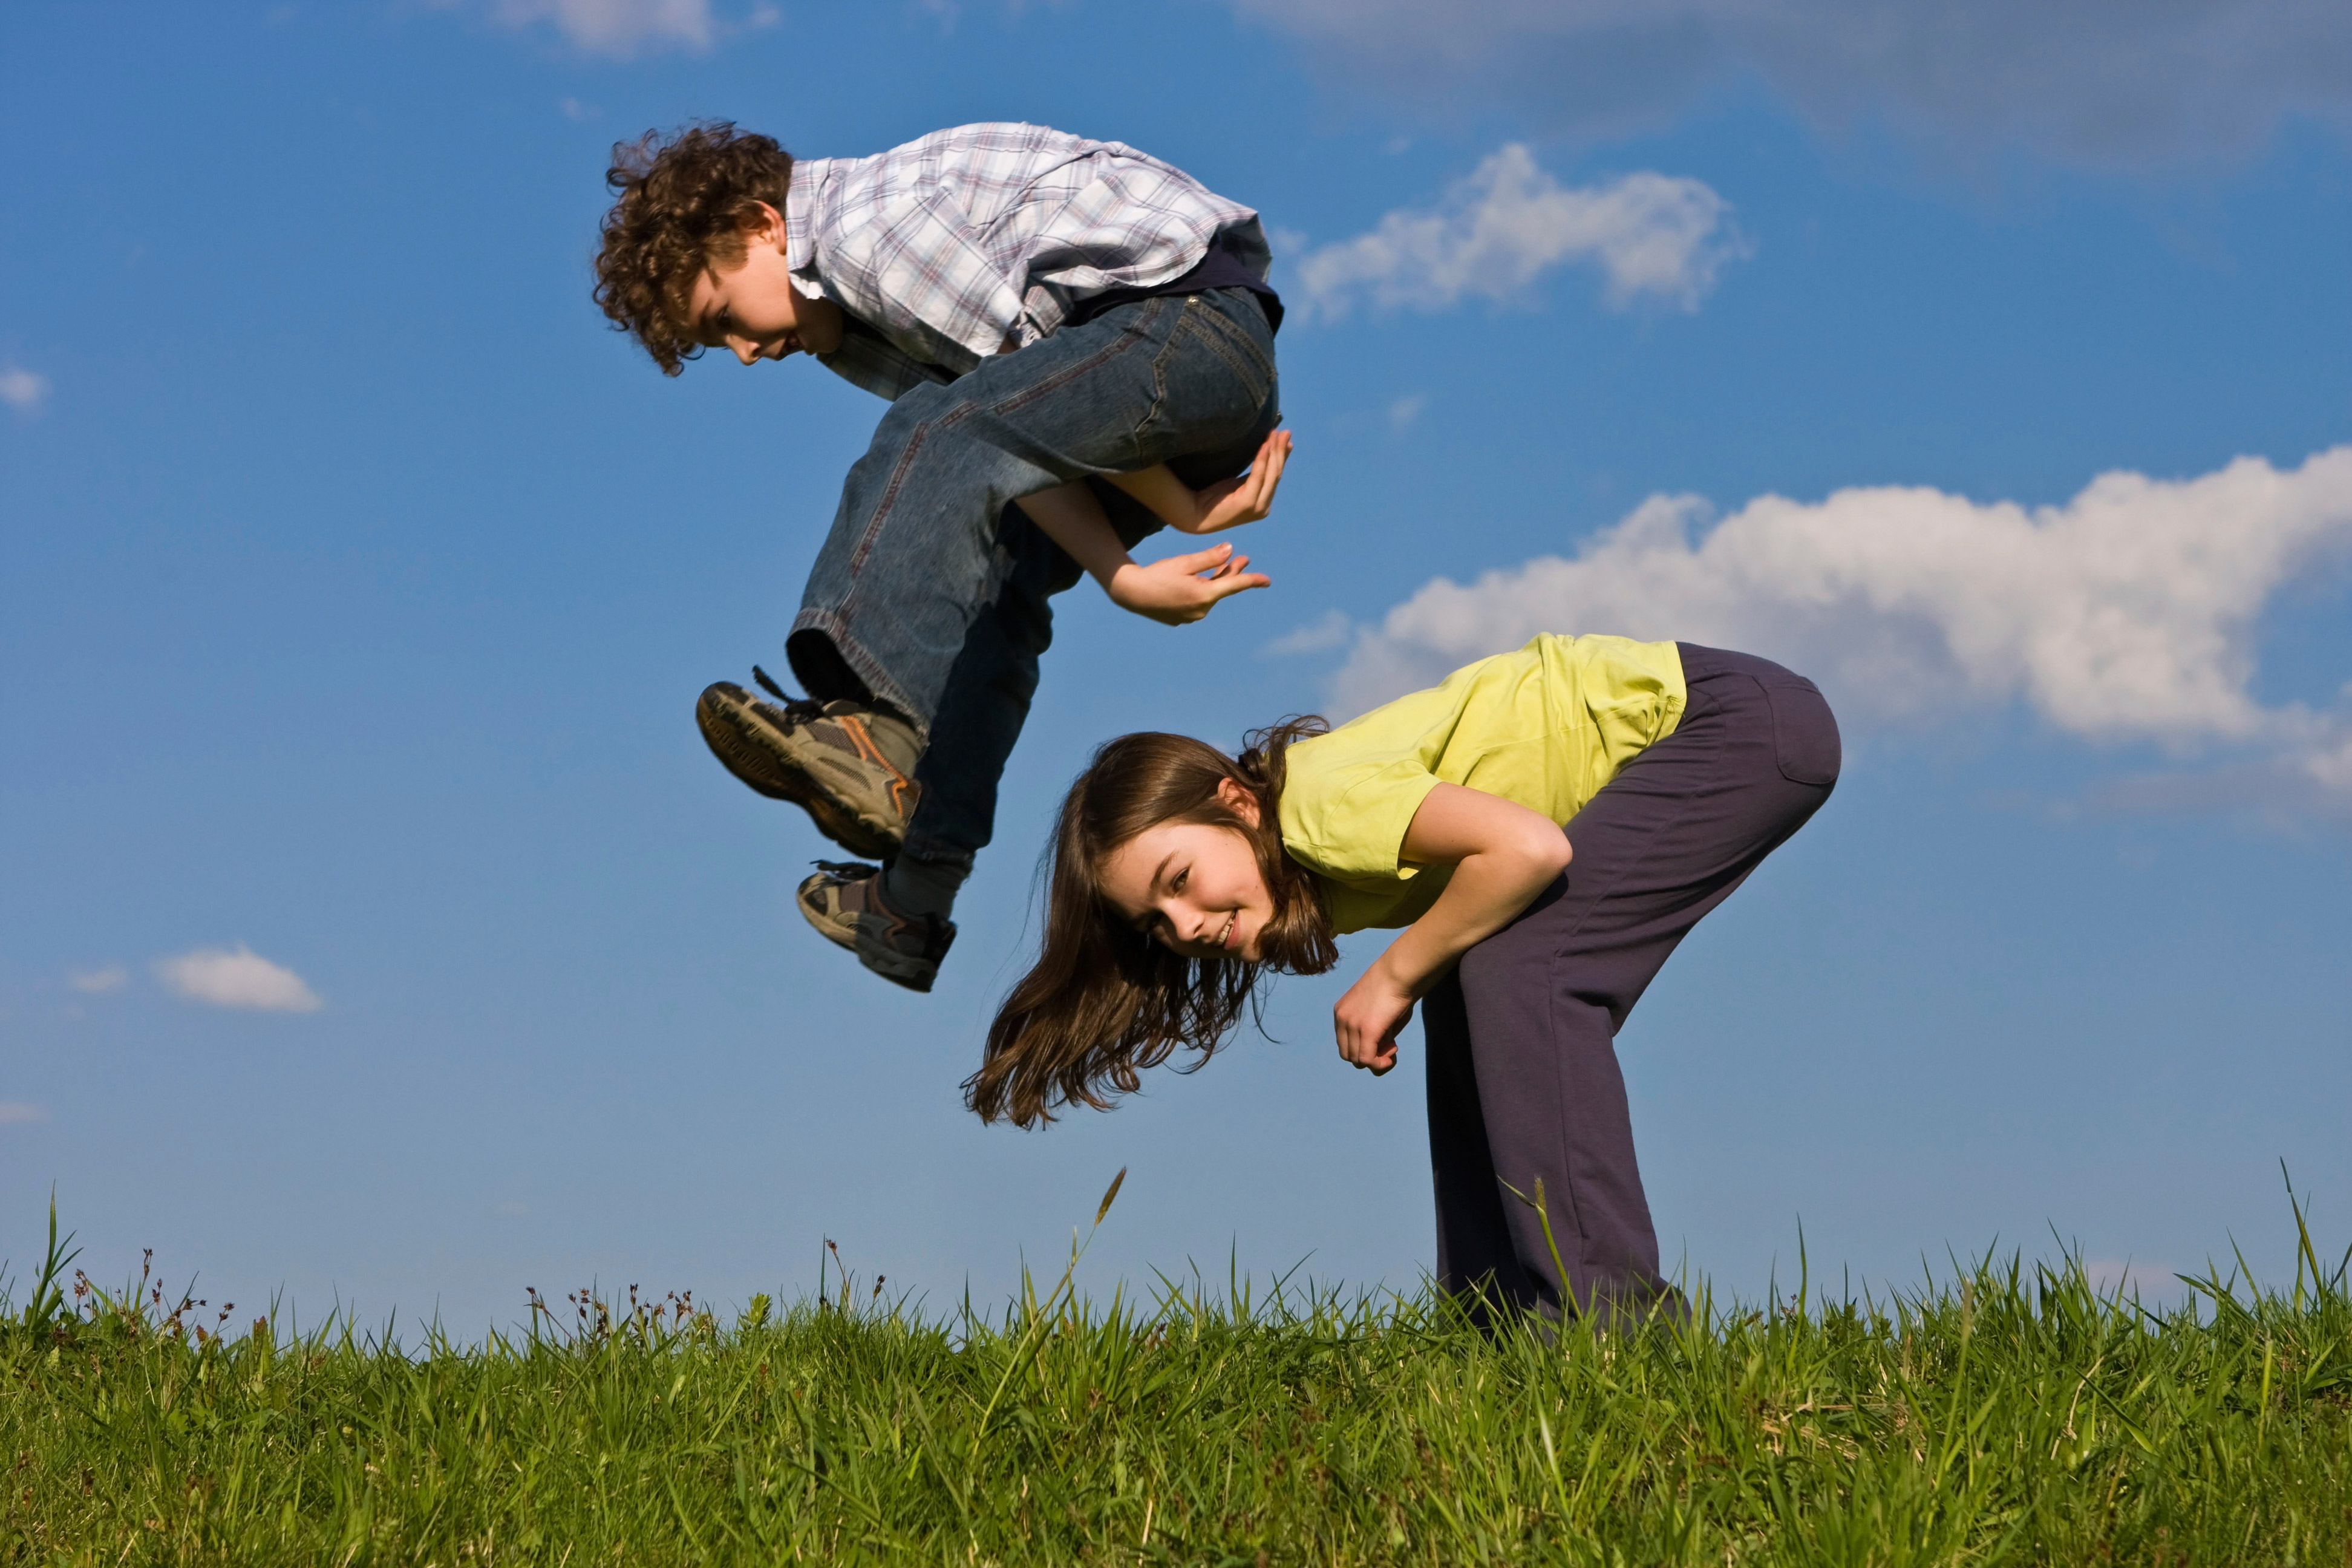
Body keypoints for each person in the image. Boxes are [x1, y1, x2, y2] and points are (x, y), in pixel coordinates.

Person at [592, 122, 1292, 991]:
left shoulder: (868, 231)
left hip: (1190, 334)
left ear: (761, 224)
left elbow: (1009, 381)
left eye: (725, 316)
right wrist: (1121, 572)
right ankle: (910, 904)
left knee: (930, 432)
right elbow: (1011, 448)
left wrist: (1177, 508)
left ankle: (881, 735)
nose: (743, 350)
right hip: (1134, 372)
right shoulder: (849, 323)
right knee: (992, 590)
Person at [976, 635, 1841, 1327]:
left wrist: (1390, 976)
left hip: (1732, 726)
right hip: (1745, 723)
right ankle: (1498, 1325)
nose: (1188, 927)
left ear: (1235, 803)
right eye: (1158, 926)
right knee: (1472, 978)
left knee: (1519, 969)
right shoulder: (1301, 857)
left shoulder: (1315, 804)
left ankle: (1616, 1324)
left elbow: (1530, 848)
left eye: (1178, 881)